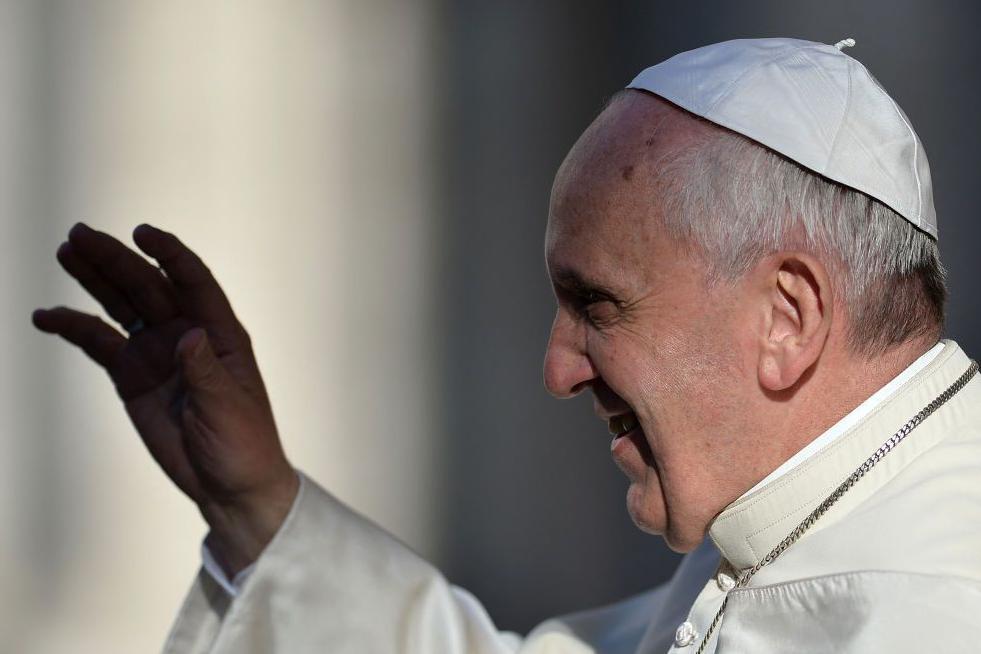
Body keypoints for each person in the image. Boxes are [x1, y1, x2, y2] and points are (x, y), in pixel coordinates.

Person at [31, 37, 981, 653]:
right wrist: (259, 504)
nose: (557, 370)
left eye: (598, 304)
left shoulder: (938, 609)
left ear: (787, 316)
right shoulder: (779, 532)